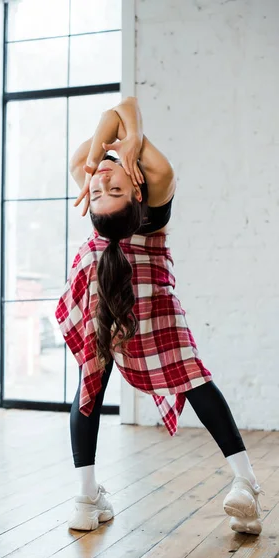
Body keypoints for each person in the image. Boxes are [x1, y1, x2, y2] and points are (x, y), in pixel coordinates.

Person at [55, 97, 263, 535]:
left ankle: (86, 500)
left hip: (121, 291)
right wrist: (128, 142)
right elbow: (123, 111)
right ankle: (245, 482)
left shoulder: (109, 176)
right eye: (101, 190)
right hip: (119, 291)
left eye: (108, 188)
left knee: (117, 382)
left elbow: (114, 115)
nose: (103, 182)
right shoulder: (158, 179)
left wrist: (97, 159)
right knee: (166, 379)